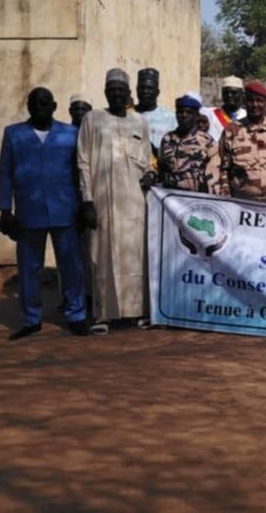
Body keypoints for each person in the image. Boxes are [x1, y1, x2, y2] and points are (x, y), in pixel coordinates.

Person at [0, 87, 88, 339]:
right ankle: (31, 318)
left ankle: (76, 315)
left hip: (65, 209)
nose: (39, 107)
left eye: (44, 103)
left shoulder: (70, 134)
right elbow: (5, 173)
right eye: (34, 103)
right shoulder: (14, 134)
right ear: (28, 106)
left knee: (71, 266)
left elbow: (79, 172)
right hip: (29, 211)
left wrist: (83, 204)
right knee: (29, 268)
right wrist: (5, 210)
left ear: (54, 106)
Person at [77, 69, 156, 335]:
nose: (117, 95)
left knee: (136, 256)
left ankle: (138, 311)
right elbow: (83, 162)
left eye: (121, 91)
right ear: (105, 93)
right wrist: (87, 200)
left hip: (134, 202)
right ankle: (104, 314)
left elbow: (147, 159)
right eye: (112, 91)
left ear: (129, 93)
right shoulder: (92, 119)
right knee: (102, 255)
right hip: (103, 200)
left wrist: (150, 174)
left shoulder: (139, 122)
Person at [216, 81, 266, 201]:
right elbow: (224, 169)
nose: (255, 105)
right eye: (250, 100)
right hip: (242, 202)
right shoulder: (232, 130)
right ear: (244, 102)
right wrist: (226, 199)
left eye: (259, 101)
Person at [158, 94, 216, 192]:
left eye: (189, 112)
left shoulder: (207, 140)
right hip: (169, 194)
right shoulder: (167, 138)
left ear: (197, 116)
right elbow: (160, 165)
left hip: (194, 196)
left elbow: (214, 172)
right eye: (180, 112)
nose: (184, 115)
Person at [134, 67, 177, 152]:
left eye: (149, 88)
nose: (145, 91)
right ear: (137, 90)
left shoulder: (170, 118)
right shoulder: (127, 114)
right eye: (142, 88)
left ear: (157, 92)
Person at [207, 76, 246, 141]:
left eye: (234, 92)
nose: (229, 95)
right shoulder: (211, 114)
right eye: (226, 92)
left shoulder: (247, 115)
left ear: (242, 94)